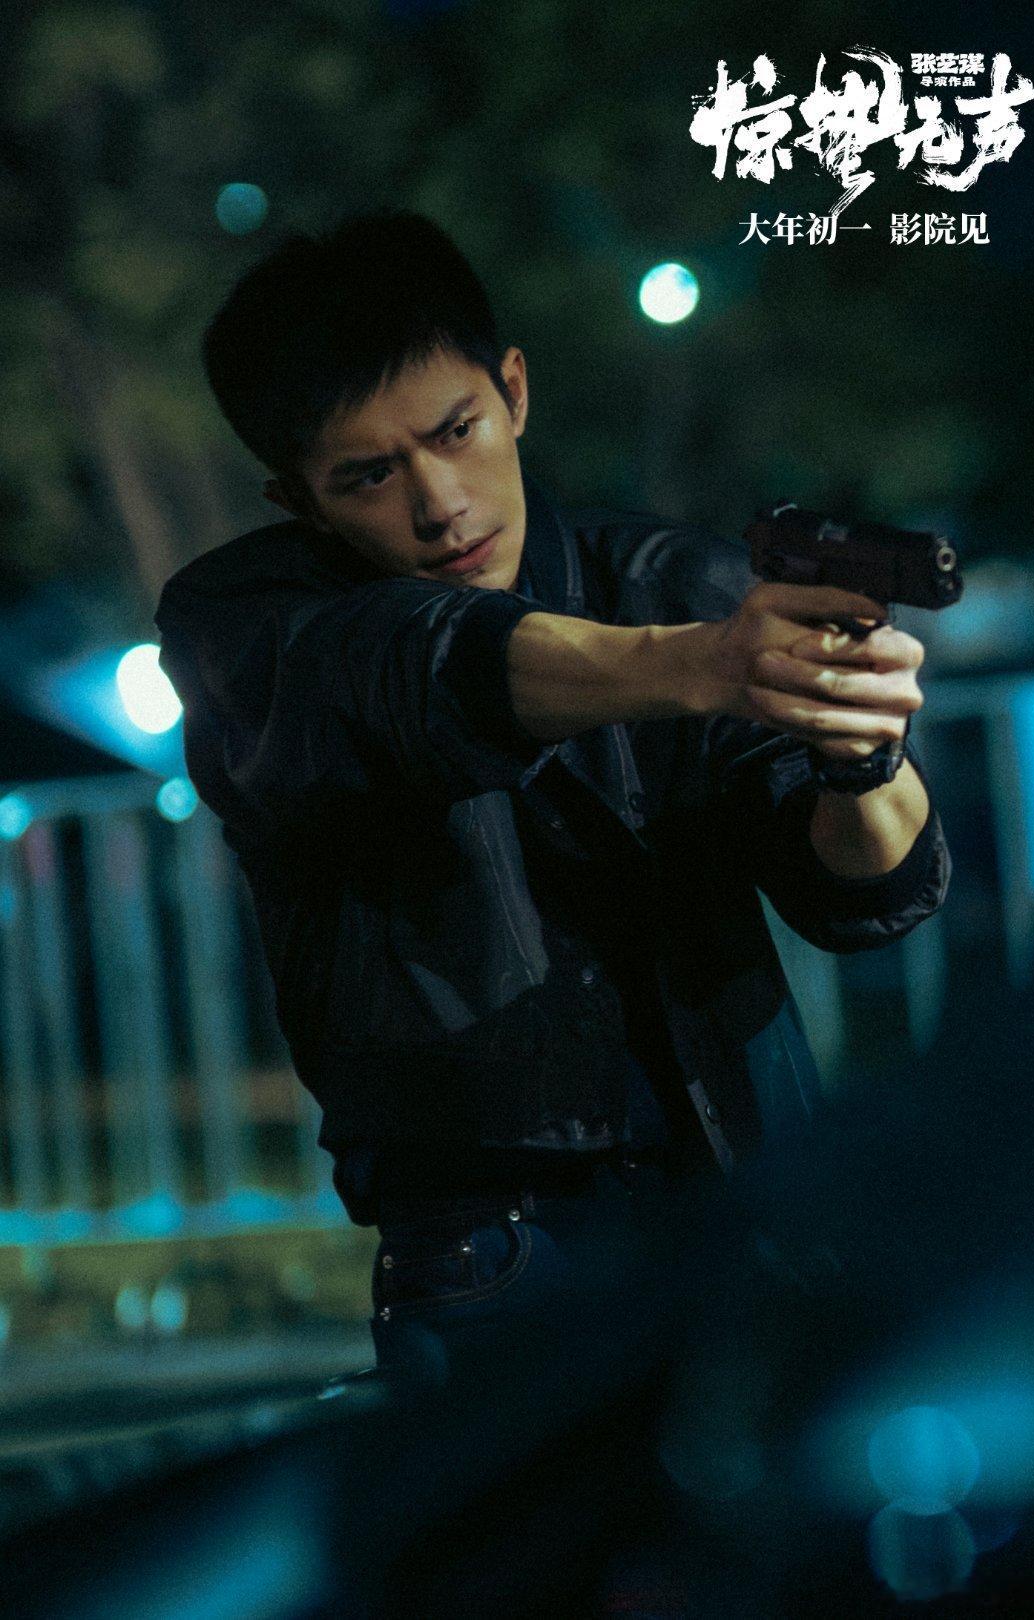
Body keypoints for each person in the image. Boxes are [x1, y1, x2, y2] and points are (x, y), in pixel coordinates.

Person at [155, 209, 950, 1615]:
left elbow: (866, 890)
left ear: (513, 391)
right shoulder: (249, 625)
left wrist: (862, 750)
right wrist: (702, 664)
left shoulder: (674, 579)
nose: (438, 505)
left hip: (749, 1204)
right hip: (489, 1248)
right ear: (298, 498)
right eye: (368, 475)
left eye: (455, 432)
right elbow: (419, 669)